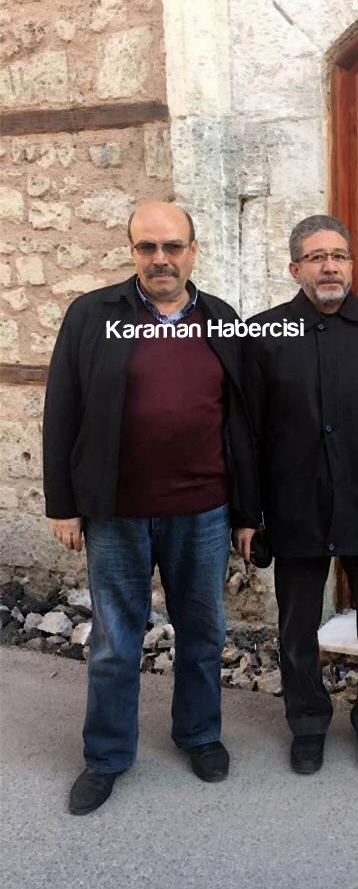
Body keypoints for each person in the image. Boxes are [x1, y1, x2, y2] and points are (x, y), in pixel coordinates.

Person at [43, 201, 259, 815]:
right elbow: (62, 410)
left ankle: (200, 734)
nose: (161, 259)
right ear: (132, 251)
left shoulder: (222, 319)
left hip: (204, 512)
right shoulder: (92, 315)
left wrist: (247, 513)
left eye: (172, 246)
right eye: (147, 247)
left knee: (203, 632)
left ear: (193, 250)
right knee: (116, 640)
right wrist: (63, 504)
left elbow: (241, 422)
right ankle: (106, 756)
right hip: (116, 513)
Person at [244, 214, 358, 775]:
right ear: (295, 269)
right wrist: (249, 513)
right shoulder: (263, 333)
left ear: (351, 264)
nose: (329, 266)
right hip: (295, 505)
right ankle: (308, 723)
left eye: (338, 255)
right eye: (316, 257)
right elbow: (248, 432)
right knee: (296, 625)